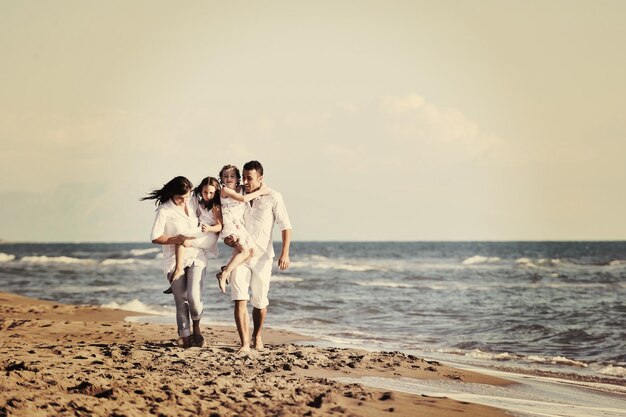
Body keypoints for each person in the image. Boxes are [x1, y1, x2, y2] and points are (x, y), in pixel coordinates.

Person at [142, 176, 214, 348]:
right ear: (172, 194)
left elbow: (211, 205)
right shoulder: (165, 210)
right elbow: (155, 237)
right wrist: (176, 239)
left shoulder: (193, 201)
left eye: (187, 196)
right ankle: (185, 338)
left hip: (196, 254)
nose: (184, 201)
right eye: (179, 198)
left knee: (194, 299)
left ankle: (197, 328)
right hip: (173, 260)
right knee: (181, 300)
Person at [229, 160, 292, 354]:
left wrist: (285, 253)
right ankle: (244, 343)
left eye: (250, 178)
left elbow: (285, 226)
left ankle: (256, 334)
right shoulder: (236, 196)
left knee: (260, 301)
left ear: (260, 178)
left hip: (263, 257)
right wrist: (229, 240)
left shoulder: (274, 197)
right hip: (240, 255)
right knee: (240, 298)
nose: (246, 181)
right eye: (244, 177)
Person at [163, 176, 223, 294]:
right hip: (202, 233)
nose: (208, 195)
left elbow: (220, 226)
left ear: (216, 192)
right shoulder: (199, 202)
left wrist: (210, 228)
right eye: (205, 192)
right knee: (183, 240)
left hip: (209, 235)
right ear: (201, 190)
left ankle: (178, 270)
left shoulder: (215, 206)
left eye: (211, 193)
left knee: (181, 237)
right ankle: (175, 283)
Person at [216, 164, 269, 293]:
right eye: (225, 176)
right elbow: (244, 199)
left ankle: (226, 269)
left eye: (232, 176)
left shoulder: (240, 188)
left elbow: (256, 184)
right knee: (245, 251)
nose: (229, 178)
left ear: (237, 179)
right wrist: (261, 191)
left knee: (253, 252)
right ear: (221, 179)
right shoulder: (225, 190)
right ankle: (224, 274)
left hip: (240, 227)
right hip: (231, 226)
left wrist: (262, 185)